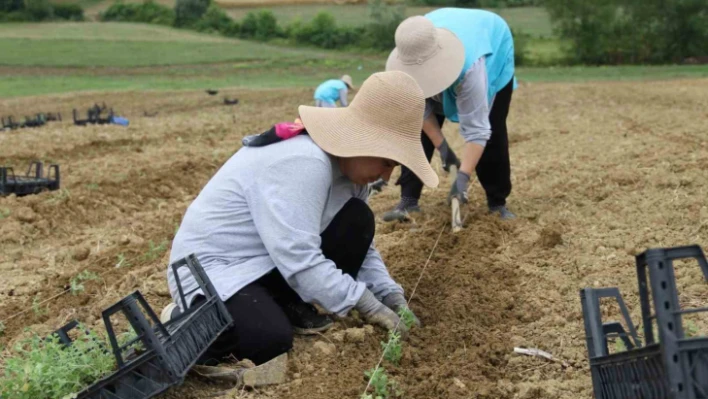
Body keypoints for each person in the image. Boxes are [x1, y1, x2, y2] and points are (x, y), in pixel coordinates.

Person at [161, 71, 436, 376]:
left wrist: (390, 294)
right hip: (215, 271)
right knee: (269, 340)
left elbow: (363, 250)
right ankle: (190, 314)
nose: (387, 177)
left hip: (266, 260)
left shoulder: (352, 175)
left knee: (357, 220)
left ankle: (284, 302)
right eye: (387, 162)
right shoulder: (304, 162)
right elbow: (299, 257)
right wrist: (365, 303)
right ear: (364, 140)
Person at [383, 8, 517, 222]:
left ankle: (497, 203)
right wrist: (444, 149)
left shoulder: (471, 68)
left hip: (492, 42)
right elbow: (421, 111)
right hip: (441, 34)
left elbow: (478, 130)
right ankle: (408, 200)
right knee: (415, 132)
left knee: (493, 130)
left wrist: (462, 178)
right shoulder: (410, 49)